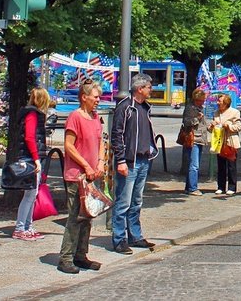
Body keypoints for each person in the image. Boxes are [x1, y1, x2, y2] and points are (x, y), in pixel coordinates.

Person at [58, 82, 106, 275]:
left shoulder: (95, 117)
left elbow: (100, 141)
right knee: (75, 217)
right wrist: (85, 165)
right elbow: (69, 146)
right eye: (95, 96)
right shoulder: (75, 117)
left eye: (98, 97)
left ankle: (81, 255)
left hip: (92, 174)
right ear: (84, 97)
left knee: (88, 216)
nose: (98, 100)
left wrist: (101, 162)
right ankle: (66, 258)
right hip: (76, 175)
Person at [109, 73, 157, 255]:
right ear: (140, 88)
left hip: (143, 160)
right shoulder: (125, 107)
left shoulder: (144, 107)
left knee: (137, 201)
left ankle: (135, 235)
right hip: (130, 162)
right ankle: (119, 239)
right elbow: (117, 135)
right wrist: (120, 160)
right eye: (149, 87)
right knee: (123, 201)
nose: (151, 90)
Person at [13, 87, 54, 241]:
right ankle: (21, 227)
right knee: (30, 194)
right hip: (30, 158)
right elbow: (30, 138)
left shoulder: (30, 113)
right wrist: (36, 158)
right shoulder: (33, 114)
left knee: (32, 193)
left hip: (29, 157)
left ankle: (27, 226)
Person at [209, 93, 241, 196]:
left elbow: (238, 127)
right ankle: (221, 187)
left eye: (220, 101)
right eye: (218, 101)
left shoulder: (234, 112)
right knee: (221, 166)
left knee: (231, 166)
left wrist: (228, 126)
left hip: (231, 142)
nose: (218, 103)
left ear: (226, 103)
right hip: (219, 143)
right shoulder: (216, 113)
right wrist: (211, 126)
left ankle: (232, 187)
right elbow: (211, 129)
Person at [181, 88, 208, 195]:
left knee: (193, 164)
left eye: (203, 100)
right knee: (194, 165)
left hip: (199, 138)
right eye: (201, 100)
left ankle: (189, 187)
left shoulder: (200, 108)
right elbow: (186, 122)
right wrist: (197, 118)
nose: (202, 102)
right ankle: (193, 188)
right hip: (194, 139)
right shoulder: (190, 108)